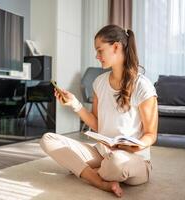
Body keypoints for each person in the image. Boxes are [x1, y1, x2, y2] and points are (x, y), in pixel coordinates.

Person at [40, 24, 158, 198]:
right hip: (102, 153)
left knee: (116, 162)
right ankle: (99, 180)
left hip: (133, 159)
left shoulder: (143, 86)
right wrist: (75, 104)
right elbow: (97, 123)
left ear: (116, 47)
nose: (97, 56)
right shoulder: (99, 82)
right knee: (48, 139)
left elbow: (151, 135)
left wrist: (131, 147)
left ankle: (85, 170)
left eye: (100, 50)